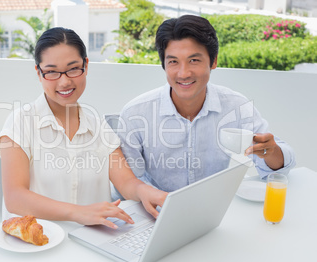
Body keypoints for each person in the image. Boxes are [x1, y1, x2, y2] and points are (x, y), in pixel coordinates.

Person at [0, 27, 167, 229]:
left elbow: (126, 182)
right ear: (39, 73)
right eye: (51, 72)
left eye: (73, 68)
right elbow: (15, 198)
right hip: (38, 247)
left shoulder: (97, 125)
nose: (65, 81)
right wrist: (79, 213)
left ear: (86, 65)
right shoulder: (20, 122)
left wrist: (146, 192)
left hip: (93, 243)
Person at [116, 15, 296, 193]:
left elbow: (281, 168)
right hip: (156, 213)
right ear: (163, 64)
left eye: (194, 60)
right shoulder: (135, 114)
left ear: (214, 61)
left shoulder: (237, 107)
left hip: (216, 213)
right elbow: (128, 181)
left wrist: (271, 152)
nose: (183, 73)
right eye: (173, 62)